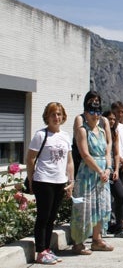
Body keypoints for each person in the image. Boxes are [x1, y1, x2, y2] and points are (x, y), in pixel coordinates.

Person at [26, 102, 74, 264]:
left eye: (59, 114)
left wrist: (71, 181)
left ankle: (46, 249)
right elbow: (30, 159)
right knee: (43, 217)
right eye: (53, 114)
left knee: (52, 217)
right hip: (43, 180)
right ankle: (40, 251)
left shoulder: (65, 136)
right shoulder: (40, 135)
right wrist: (31, 180)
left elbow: (69, 161)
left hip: (60, 182)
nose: (56, 117)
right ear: (47, 116)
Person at [70, 98, 114, 255]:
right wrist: (100, 171)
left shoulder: (102, 131)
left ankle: (97, 239)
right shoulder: (83, 130)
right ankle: (78, 242)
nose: (96, 116)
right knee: (84, 207)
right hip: (88, 172)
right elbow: (85, 154)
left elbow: (107, 151)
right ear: (86, 114)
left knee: (101, 207)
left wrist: (108, 168)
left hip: (102, 174)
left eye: (98, 112)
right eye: (92, 112)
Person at [103, 110, 123, 238]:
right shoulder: (99, 132)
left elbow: (115, 153)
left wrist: (115, 170)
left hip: (112, 170)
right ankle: (103, 226)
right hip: (100, 170)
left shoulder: (114, 133)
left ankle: (119, 227)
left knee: (120, 196)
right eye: (109, 119)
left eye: (113, 119)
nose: (112, 121)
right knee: (103, 201)